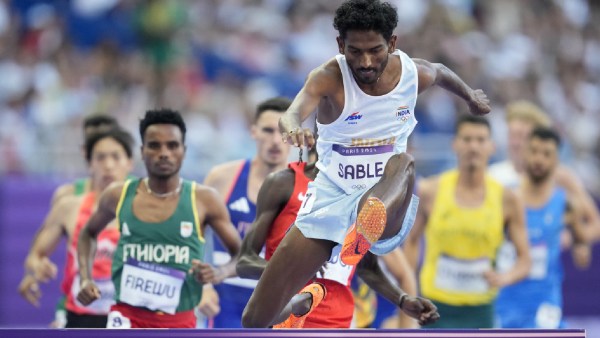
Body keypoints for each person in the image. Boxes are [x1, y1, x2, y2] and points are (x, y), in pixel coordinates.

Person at [241, 0, 491, 328]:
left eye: (375, 50)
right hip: (331, 199)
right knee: (255, 317)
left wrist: (470, 95)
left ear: (392, 43)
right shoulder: (329, 76)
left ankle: (362, 230)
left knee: (403, 162)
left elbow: (442, 72)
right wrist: (291, 127)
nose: (366, 61)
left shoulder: (410, 73)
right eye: (355, 52)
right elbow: (293, 110)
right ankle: (305, 299)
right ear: (340, 45)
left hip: (387, 200)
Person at [76, 109, 242, 328]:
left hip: (180, 322)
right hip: (126, 319)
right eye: (155, 145)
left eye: (172, 145)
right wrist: (86, 278)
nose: (164, 153)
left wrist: (220, 272)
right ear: (142, 151)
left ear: (184, 151)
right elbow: (88, 233)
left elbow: (241, 255)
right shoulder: (118, 195)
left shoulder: (203, 200)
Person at [404, 115, 531, 328]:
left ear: (492, 146)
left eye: (480, 140)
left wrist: (504, 277)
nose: (473, 147)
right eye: (467, 139)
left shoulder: (508, 199)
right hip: (434, 309)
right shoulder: (430, 191)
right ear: (455, 144)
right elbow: (412, 242)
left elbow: (525, 260)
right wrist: (409, 292)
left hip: (481, 310)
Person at [18, 128, 135, 328]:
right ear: (89, 164)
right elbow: (35, 255)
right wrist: (36, 268)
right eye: (100, 158)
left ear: (130, 163)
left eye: (116, 157)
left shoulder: (146, 209)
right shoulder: (69, 207)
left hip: (129, 318)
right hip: (80, 318)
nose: (108, 165)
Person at [201, 97, 292, 327]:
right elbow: (192, 234)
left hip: (277, 306)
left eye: (283, 132)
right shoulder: (222, 178)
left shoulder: (306, 188)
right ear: (253, 132)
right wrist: (201, 287)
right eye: (268, 130)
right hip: (224, 303)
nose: (275, 141)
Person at [495, 127, 591, 329]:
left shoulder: (566, 203)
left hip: (545, 305)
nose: (539, 159)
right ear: (525, 153)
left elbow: (582, 241)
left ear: (556, 160)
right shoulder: (505, 199)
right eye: (534, 151)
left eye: (547, 154)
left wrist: (581, 249)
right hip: (504, 301)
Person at [488, 100, 600, 242]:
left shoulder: (560, 177)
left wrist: (571, 240)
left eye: (522, 136)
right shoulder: (493, 175)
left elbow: (595, 225)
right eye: (512, 135)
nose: (515, 143)